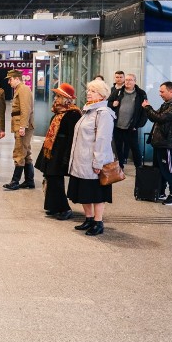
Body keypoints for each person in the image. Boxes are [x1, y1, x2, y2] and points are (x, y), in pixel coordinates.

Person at [68, 79, 115, 236]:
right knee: (84, 192)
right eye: (88, 90)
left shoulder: (104, 114)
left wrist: (98, 162)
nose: (89, 93)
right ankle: (88, 218)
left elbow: (103, 140)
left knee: (96, 193)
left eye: (93, 91)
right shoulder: (88, 111)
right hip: (81, 161)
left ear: (102, 95)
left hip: (93, 162)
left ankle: (98, 221)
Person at [36, 83, 81, 220]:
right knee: (50, 177)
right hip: (52, 149)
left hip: (61, 151)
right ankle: (53, 206)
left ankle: (64, 208)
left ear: (66, 98)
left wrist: (67, 156)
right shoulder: (58, 112)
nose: (55, 98)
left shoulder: (73, 114)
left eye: (58, 96)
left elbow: (72, 137)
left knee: (56, 179)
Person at [142, 81, 172, 205]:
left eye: (162, 91)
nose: (160, 94)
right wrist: (148, 109)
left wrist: (147, 108)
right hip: (159, 142)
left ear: (171, 91)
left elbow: (160, 118)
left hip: (167, 143)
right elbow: (154, 117)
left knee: (169, 170)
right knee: (159, 169)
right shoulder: (167, 104)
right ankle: (161, 191)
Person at [3, 69, 35, 190]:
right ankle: (29, 181)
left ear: (17, 78)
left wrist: (22, 126)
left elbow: (26, 109)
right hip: (20, 124)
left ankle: (15, 181)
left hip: (23, 126)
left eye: (10, 79)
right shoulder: (19, 89)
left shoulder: (23, 89)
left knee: (19, 152)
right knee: (26, 153)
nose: (9, 82)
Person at [109, 73, 148, 168]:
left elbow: (145, 111)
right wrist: (112, 104)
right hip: (117, 126)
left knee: (134, 147)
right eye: (126, 80)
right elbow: (108, 103)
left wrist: (138, 125)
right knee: (118, 147)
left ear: (135, 81)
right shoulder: (118, 92)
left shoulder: (141, 94)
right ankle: (120, 165)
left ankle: (138, 167)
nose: (128, 82)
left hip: (131, 127)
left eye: (130, 80)